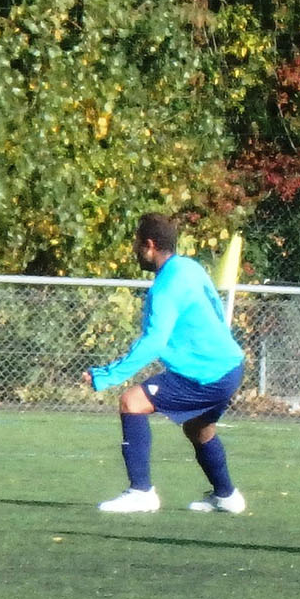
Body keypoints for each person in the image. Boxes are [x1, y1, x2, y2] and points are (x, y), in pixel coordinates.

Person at [86, 213, 247, 515]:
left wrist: (106, 375)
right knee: (199, 428)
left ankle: (141, 492)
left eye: (137, 244)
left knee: (132, 402)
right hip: (231, 366)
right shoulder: (189, 267)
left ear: (149, 245)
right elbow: (214, 304)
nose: (135, 250)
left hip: (207, 374)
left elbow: (154, 342)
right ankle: (227, 496)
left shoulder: (165, 286)